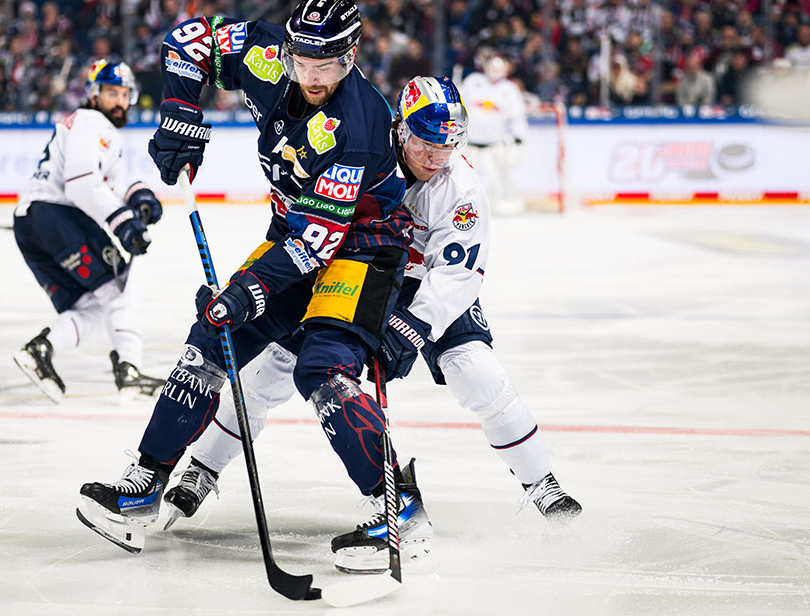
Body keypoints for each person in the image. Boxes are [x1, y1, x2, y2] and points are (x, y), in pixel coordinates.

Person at [162, 76, 582, 573]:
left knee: (475, 370)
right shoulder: (361, 146)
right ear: (401, 129)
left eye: (448, 144)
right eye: (426, 141)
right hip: (349, 272)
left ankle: (542, 483)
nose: (436, 155)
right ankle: (201, 469)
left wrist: (413, 324)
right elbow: (306, 217)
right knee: (271, 369)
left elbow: (457, 275)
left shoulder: (462, 190)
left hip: (423, 289)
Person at [77, 0, 428, 571]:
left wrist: (246, 293)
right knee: (208, 340)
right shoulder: (268, 53)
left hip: (362, 247)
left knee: (323, 369)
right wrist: (179, 109)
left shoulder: (359, 125)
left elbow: (318, 241)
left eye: (328, 67)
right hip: (294, 228)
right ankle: (144, 484)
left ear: (351, 57)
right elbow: (190, 40)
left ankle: (401, 511)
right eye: (303, 62)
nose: (312, 78)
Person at [12, 59, 164, 404]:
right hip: (58, 218)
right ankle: (129, 371)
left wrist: (137, 196)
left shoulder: (96, 128)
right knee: (121, 291)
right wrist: (123, 222)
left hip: (35, 223)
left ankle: (40, 351)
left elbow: (109, 182)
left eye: (124, 94)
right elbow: (81, 185)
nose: (119, 101)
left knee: (93, 307)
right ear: (93, 94)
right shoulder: (91, 121)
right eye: (111, 93)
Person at [457, 51, 529, 215]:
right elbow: (459, 107)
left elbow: (517, 116)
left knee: (497, 177)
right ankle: (462, 206)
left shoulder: (510, 89)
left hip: (495, 143)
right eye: (492, 67)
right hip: (469, 143)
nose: (495, 71)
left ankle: (500, 204)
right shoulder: (472, 82)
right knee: (463, 176)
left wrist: (520, 137)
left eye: (499, 67)